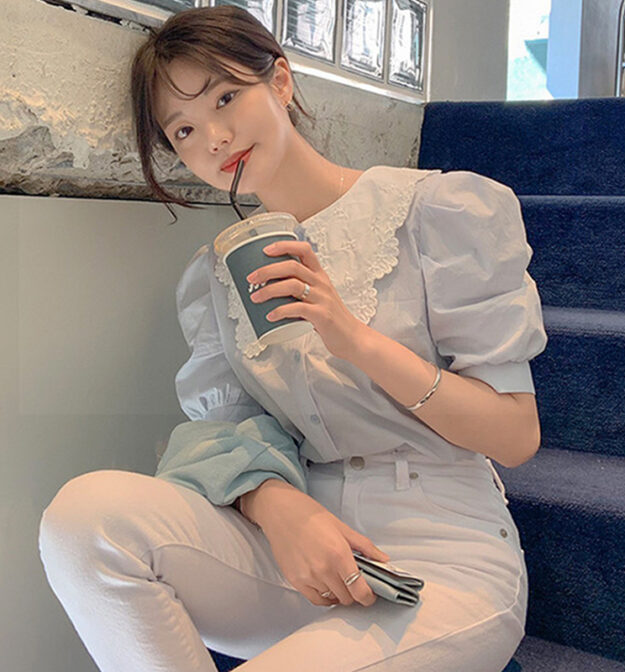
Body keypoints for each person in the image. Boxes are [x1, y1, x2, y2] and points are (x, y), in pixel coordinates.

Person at [38, 6, 548, 672]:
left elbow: (514, 436)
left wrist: (353, 338)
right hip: (300, 553)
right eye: (184, 129)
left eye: (226, 97)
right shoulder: (218, 273)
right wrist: (278, 507)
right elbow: (224, 429)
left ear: (279, 80)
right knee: (84, 521)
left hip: (443, 553)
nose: (215, 137)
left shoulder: (435, 210)